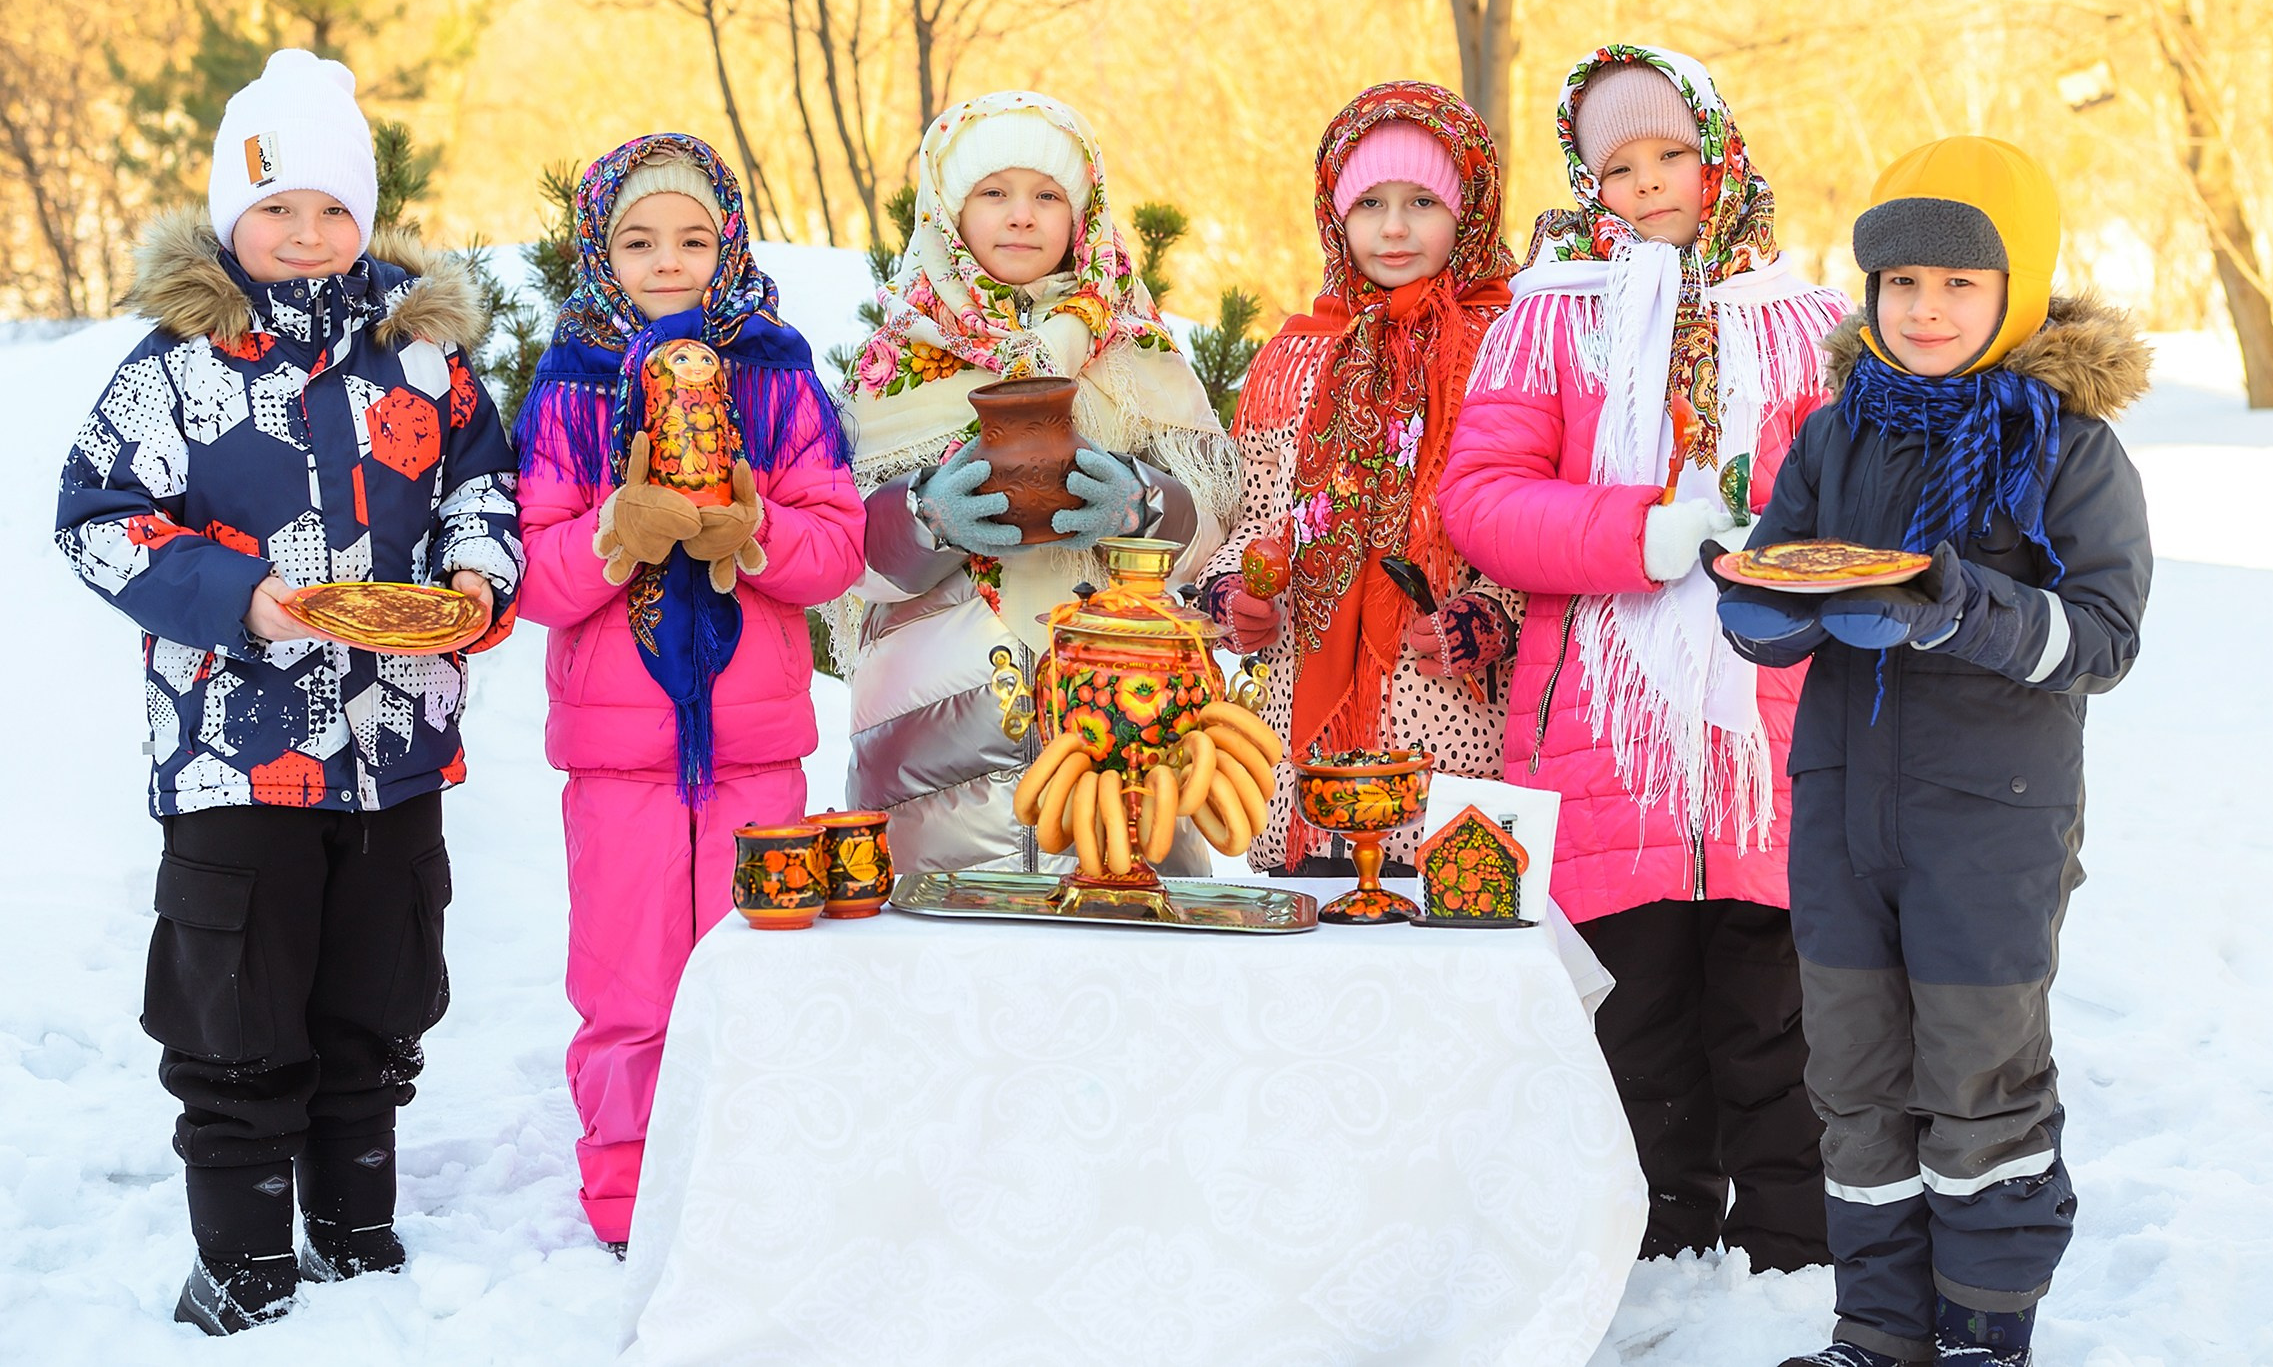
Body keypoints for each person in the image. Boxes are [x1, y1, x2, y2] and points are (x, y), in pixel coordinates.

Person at [54, 49, 524, 1332]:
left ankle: (355, 1224)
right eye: (277, 209)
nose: (307, 235)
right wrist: (238, 598)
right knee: (240, 1002)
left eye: (332, 209)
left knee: (375, 992)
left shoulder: (425, 363)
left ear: (366, 218)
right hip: (233, 746)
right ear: (230, 216)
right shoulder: (175, 368)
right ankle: (246, 1253)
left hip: (396, 739)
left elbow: (486, 490)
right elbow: (96, 518)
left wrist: (477, 580)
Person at [1721, 138, 2150, 1367]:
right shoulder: (1835, 433)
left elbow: (2104, 639)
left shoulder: (2066, 448)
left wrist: (1959, 607)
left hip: (1990, 820)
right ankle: (1878, 1332)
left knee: (1977, 1082)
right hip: (1842, 810)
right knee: (1851, 1078)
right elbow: (1781, 554)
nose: (1925, 309)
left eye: (1958, 284)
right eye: (1900, 283)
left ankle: (1981, 1331)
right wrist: (1760, 605)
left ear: (2015, 290)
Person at [1438, 45, 1844, 1271]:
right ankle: (1650, 1257)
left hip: (1767, 722)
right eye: (1619, 166)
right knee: (1638, 1020)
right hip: (1600, 728)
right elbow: (1483, 500)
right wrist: (1640, 531)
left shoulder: (1807, 317)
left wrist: (1765, 528)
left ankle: (1792, 1260)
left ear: (1718, 155)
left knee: (1777, 1020)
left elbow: (1845, 495)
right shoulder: (1547, 313)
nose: (1650, 182)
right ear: (1587, 179)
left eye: (1671, 154)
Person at [512, 134, 864, 1250]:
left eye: (693, 239)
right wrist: (618, 534)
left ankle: (744, 1187)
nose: (668, 261)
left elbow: (836, 545)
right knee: (628, 986)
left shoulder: (776, 373)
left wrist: (753, 532)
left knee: (755, 970)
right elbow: (533, 571)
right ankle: (626, 1197)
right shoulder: (570, 385)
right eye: (639, 239)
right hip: (618, 748)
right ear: (600, 250)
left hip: (755, 740)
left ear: (731, 244)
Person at [839, 91, 1237, 873]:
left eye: (1047, 195)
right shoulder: (896, 358)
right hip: (933, 740)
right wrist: (926, 516)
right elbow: (840, 554)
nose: (1021, 216)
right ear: (946, 212)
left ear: (1082, 213)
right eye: (994, 193)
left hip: (1125, 732)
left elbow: (1213, 523)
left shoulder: (1130, 348)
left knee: (1124, 956)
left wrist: (1141, 506)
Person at [1195, 81, 1523, 872]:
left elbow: (1522, 518)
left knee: (1445, 932)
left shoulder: (1508, 347)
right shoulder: (1298, 356)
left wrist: (1487, 616)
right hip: (1304, 731)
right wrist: (1235, 596)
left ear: (1469, 210)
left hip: (1443, 715)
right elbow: (1255, 516)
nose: (1396, 228)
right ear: (1337, 215)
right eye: (1370, 203)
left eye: (1422, 202)